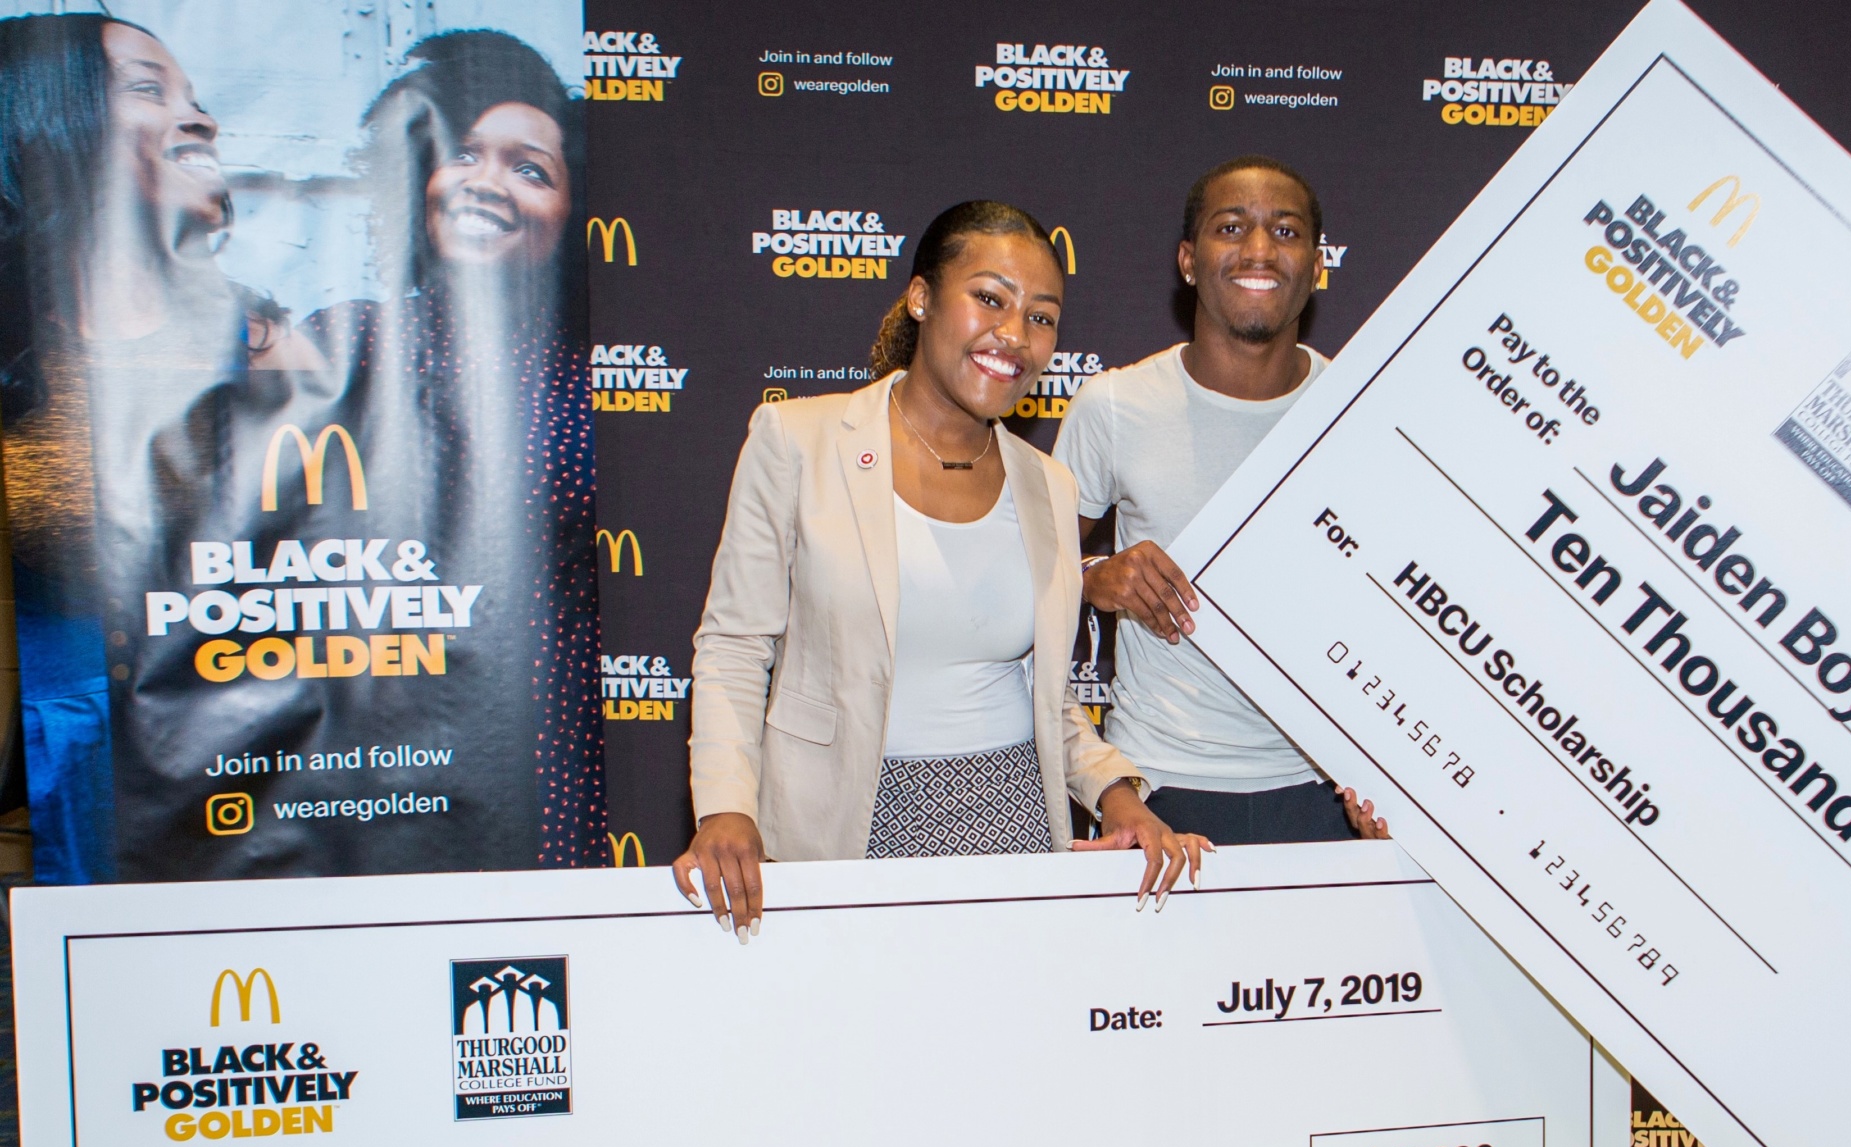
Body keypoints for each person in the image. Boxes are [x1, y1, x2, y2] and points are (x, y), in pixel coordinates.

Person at [675, 202, 1208, 936]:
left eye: (1042, 317)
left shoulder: (1048, 485)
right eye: (990, 298)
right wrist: (726, 808)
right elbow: (735, 646)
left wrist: (1117, 795)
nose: (1014, 334)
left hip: (1014, 822)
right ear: (921, 297)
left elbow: (1047, 697)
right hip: (844, 828)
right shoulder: (798, 440)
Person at [0, 14, 315, 881]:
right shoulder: (17, 353)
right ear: (51, 120)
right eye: (149, 89)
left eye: (196, 98)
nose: (200, 119)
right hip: (63, 797)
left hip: (252, 779)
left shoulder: (265, 344)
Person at [299, 29, 606, 867]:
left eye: (530, 169)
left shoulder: (601, 383)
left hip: (549, 740)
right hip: (377, 743)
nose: (487, 182)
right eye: (463, 153)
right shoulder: (340, 346)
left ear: (573, 212)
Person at [1056, 155, 1389, 845]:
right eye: (1231, 227)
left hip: (1328, 791)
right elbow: (1030, 574)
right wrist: (1094, 576)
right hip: (1158, 788)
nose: (1259, 249)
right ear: (1188, 260)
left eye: (1286, 231)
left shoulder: (1360, 410)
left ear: (1316, 265)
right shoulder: (1114, 405)